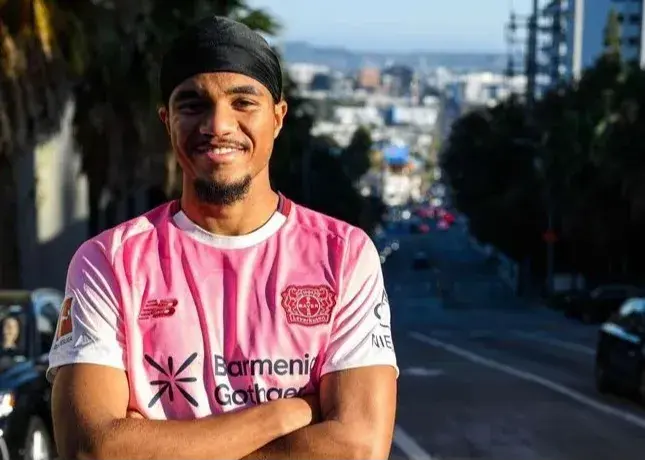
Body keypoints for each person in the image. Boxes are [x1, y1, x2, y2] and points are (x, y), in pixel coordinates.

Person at [48, 15, 398, 460]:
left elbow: (358, 448)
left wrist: (154, 444)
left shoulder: (343, 255)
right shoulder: (108, 261)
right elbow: (93, 449)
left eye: (243, 102)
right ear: (167, 120)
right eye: (193, 104)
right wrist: (284, 414)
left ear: (278, 117)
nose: (218, 125)